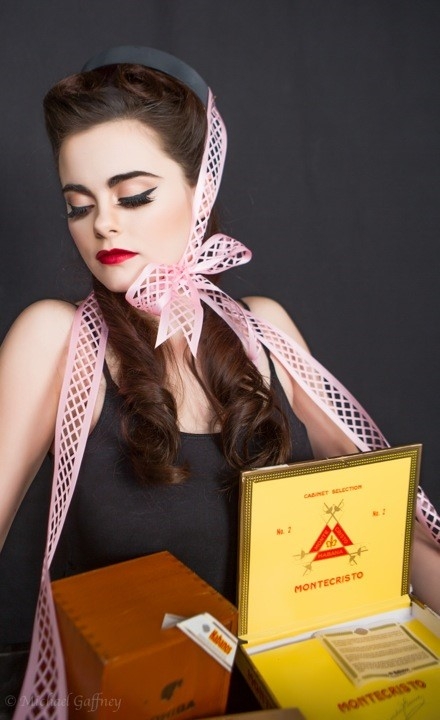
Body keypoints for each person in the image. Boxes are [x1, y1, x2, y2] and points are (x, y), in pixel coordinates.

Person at [0, 46, 439, 717]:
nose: (103, 224)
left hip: (288, 697)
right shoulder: (58, 339)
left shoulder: (263, 331)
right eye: (77, 206)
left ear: (199, 190)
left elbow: (391, 526)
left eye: (134, 195)